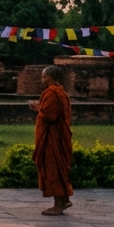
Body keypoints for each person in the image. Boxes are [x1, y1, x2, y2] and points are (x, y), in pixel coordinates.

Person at [31, 65, 73, 216]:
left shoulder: (52, 93)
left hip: (53, 137)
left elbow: (50, 116)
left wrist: (38, 109)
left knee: (53, 169)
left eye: (44, 77)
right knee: (59, 168)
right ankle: (64, 199)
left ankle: (58, 204)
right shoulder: (61, 92)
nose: (42, 80)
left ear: (51, 77)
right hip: (59, 136)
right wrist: (40, 108)